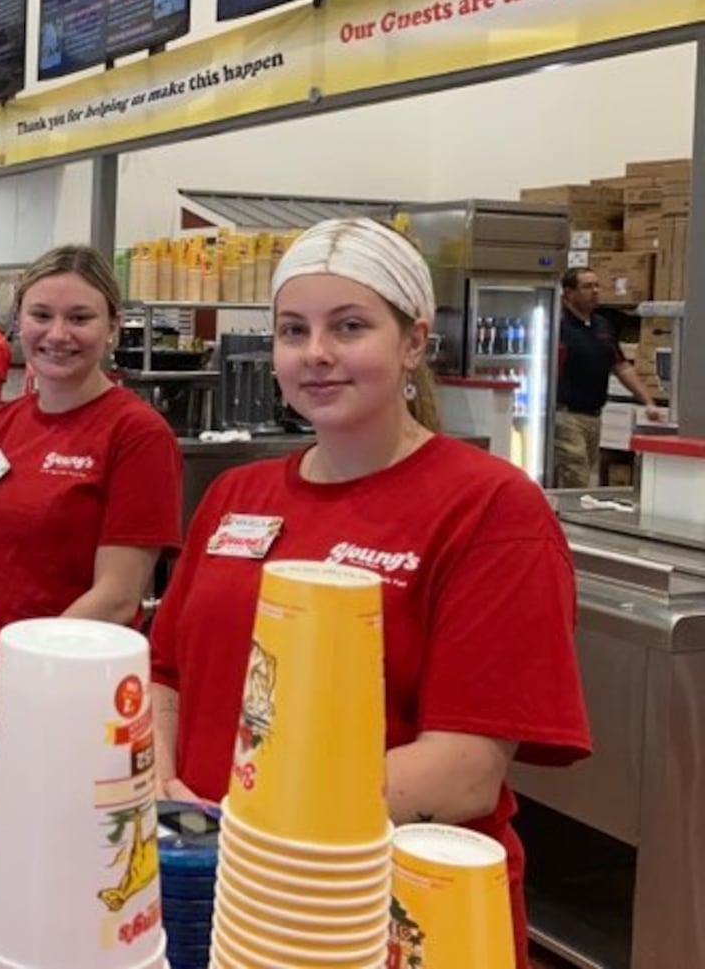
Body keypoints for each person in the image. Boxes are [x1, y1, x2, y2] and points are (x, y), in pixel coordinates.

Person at [147, 218, 591, 969]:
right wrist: (164, 791)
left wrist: (252, 826)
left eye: (349, 326)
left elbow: (465, 769)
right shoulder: (234, 494)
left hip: (386, 909)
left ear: (413, 342)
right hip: (220, 891)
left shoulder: (489, 507)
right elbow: (167, 674)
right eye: (294, 329)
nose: (315, 353)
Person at [0, 246, 184, 663]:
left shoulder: (138, 435)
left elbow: (117, 597)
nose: (57, 334)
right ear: (18, 322)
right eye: (41, 315)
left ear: (113, 327)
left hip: (66, 682)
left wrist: (24, 669)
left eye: (80, 318)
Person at [554, 266, 664, 489]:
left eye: (596, 285)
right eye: (587, 286)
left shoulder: (602, 325)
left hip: (594, 416)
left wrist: (648, 402)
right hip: (565, 415)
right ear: (568, 292)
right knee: (577, 476)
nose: (595, 291)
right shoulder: (558, 326)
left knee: (586, 476)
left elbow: (621, 367)